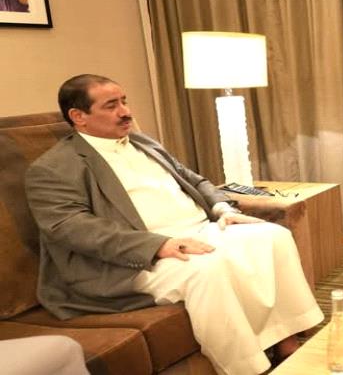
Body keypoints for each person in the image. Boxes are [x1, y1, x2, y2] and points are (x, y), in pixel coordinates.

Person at [25, 74, 324, 375]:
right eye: (111, 106)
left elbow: (195, 180)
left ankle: (287, 343)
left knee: (272, 236)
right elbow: (70, 226)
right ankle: (246, 369)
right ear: (79, 116)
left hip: (200, 229)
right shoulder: (53, 167)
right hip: (134, 258)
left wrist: (221, 208)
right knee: (207, 269)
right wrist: (159, 245)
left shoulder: (142, 142)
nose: (126, 111)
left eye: (124, 101)